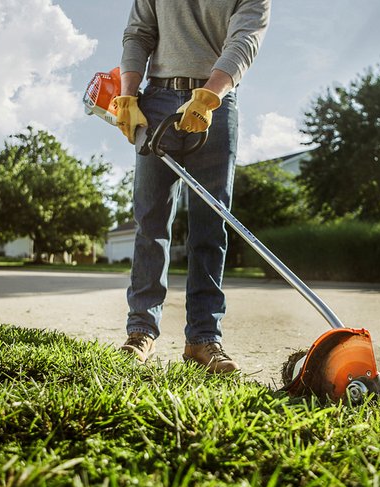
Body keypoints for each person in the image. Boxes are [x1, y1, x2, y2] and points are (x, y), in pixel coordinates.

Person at [114, 0, 271, 373]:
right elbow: (139, 33)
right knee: (150, 223)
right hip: (155, 101)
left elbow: (244, 40)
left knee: (210, 225)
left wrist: (209, 95)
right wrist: (128, 93)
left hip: (215, 103)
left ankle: (203, 339)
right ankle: (141, 332)